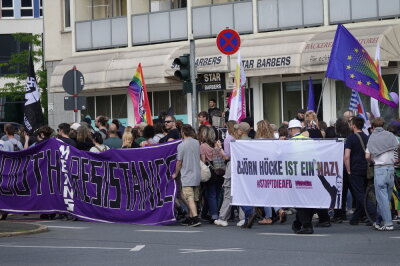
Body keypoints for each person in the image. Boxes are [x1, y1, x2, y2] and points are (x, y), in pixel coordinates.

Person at [366, 117, 399, 231]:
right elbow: (398, 147)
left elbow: (367, 156)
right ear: (384, 125)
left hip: (379, 169)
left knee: (382, 198)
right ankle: (378, 222)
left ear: (373, 127)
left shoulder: (372, 138)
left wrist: (372, 162)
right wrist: (397, 159)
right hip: (390, 168)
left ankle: (388, 223)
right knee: (386, 198)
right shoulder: (391, 136)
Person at [344, 116, 375, 226]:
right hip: (366, 169)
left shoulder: (351, 138)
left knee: (360, 194)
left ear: (353, 125)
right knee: (362, 193)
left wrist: (348, 169)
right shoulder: (367, 137)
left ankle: (374, 214)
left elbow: (346, 156)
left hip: (355, 169)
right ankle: (355, 218)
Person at [287, 119, 315, 234]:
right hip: (310, 174)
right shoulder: (310, 140)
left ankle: (307, 225)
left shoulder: (290, 143)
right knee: (308, 200)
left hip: (297, 174)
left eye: (289, 130)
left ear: (292, 130)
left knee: (300, 201)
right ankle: (298, 223)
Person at [172, 124, 201, 227]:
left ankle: (195, 218)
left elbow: (179, 162)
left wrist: (175, 173)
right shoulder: (197, 142)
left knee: (189, 198)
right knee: (194, 199)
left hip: (187, 175)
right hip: (197, 174)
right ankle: (190, 218)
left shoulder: (182, 145)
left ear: (183, 133)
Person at [200, 126, 224, 224]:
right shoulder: (218, 145)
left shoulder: (203, 146)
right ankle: (214, 212)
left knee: (211, 195)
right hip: (220, 171)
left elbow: (202, 160)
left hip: (210, 172)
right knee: (217, 194)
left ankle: (214, 215)